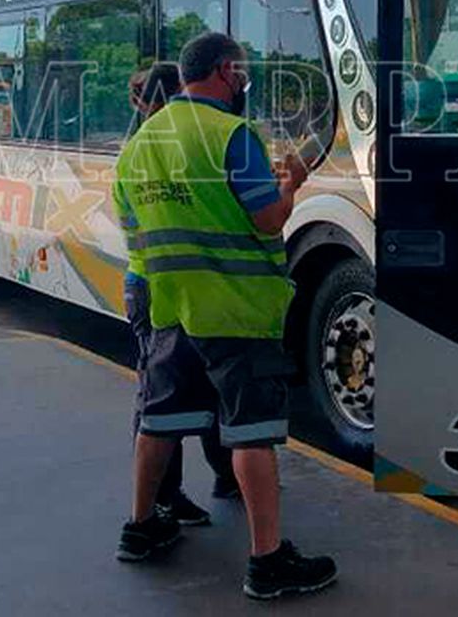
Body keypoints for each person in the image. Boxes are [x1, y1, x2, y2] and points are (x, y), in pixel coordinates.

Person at [113, 33, 337, 600]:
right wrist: (291, 185)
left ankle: (140, 529)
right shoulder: (232, 137)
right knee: (250, 433)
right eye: (240, 72)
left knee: (158, 420)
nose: (244, 83)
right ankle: (267, 563)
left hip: (168, 306)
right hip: (234, 309)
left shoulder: (140, 144)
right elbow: (266, 221)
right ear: (224, 71)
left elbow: (134, 226)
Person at [116, 63, 239, 565]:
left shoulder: (137, 149)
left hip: (150, 281)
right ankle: (162, 501)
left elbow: (131, 224)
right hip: (164, 285)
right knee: (163, 393)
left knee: (180, 385)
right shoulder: (175, 145)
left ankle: (217, 478)